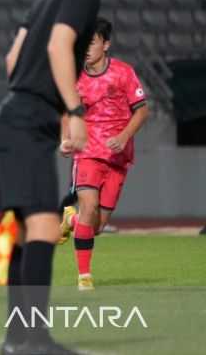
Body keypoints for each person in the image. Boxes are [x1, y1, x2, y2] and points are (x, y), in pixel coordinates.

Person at [0, 0, 127, 355]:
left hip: (15, 114)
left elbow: (14, 57)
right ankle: (33, 340)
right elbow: (56, 46)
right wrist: (73, 110)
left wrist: (47, 110)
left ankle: (19, 340)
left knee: (29, 229)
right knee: (45, 227)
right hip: (30, 119)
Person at [58, 17, 149, 290]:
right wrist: (66, 139)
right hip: (87, 153)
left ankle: (70, 220)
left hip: (118, 157)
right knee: (89, 205)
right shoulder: (74, 76)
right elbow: (67, 111)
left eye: (92, 42)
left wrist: (123, 137)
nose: (86, 48)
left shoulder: (123, 73)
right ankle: (84, 277)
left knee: (95, 224)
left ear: (106, 44)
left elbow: (142, 110)